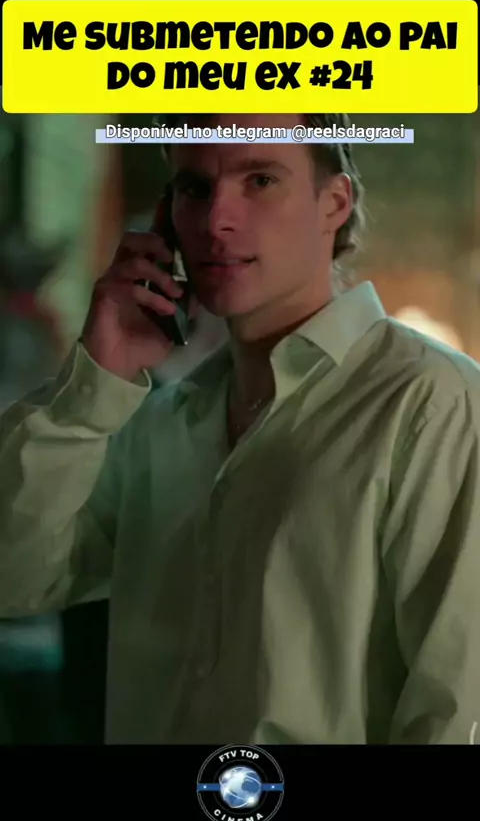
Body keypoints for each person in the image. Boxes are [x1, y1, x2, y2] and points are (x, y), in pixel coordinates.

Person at [1, 112, 480, 746]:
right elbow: (15, 578)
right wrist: (94, 381)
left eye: (260, 180)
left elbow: (456, 705)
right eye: (195, 189)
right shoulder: (156, 425)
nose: (217, 220)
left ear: (334, 203)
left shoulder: (430, 401)